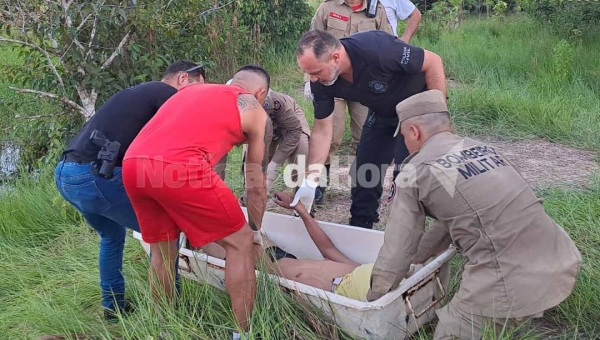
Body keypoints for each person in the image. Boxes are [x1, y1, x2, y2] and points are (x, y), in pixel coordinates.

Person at [366, 90, 582, 339]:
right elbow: (459, 219)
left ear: (414, 132)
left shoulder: (414, 171)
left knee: (449, 333)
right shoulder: (483, 149)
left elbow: (397, 248)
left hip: (509, 275)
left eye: (404, 137)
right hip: (560, 256)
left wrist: (374, 300)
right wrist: (419, 258)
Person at [122, 65, 272, 339]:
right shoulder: (254, 108)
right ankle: (245, 334)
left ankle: (162, 330)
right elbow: (255, 184)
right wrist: (256, 229)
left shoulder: (190, 90)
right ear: (260, 93)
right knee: (240, 242)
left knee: (162, 253)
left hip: (134, 165)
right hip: (179, 167)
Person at [54, 60, 205, 320]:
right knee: (165, 237)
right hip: (96, 177)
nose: (196, 98)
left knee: (111, 237)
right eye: (197, 88)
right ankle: (169, 316)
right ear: (183, 79)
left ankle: (113, 309)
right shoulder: (166, 95)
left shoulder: (136, 94)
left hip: (66, 174)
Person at [293, 29, 446, 228]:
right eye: (308, 73)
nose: (312, 79)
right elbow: (322, 131)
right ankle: (360, 226)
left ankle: (408, 235)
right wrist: (310, 180)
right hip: (382, 113)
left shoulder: (378, 48)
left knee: (406, 177)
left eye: (315, 72)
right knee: (364, 173)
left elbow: (433, 61)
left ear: (335, 58)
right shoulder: (321, 83)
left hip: (416, 111)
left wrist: (436, 114)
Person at [201, 191, 418, 301]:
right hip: (280, 256)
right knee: (236, 230)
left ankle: (188, 226)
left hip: (259, 271)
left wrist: (260, 264)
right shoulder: (369, 270)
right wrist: (300, 209)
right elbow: (328, 250)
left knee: (210, 239)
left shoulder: (372, 299)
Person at [304, 0, 394, 204]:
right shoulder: (327, 8)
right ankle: (319, 184)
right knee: (331, 135)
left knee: (365, 135)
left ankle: (359, 184)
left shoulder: (376, 9)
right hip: (330, 82)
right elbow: (310, 44)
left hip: (364, 83)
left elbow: (387, 43)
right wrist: (310, 81)